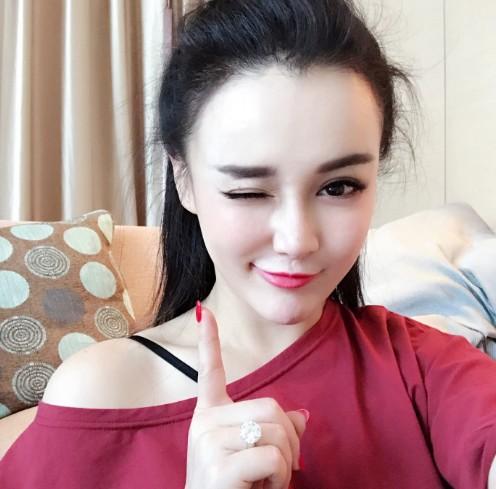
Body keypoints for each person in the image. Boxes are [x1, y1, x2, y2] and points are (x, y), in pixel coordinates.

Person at [1, 0, 496, 488]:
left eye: (339, 187)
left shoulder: (423, 365)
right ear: (184, 180)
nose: (297, 240)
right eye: (248, 191)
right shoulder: (101, 393)